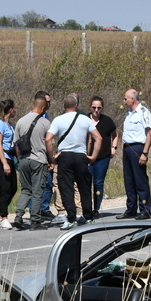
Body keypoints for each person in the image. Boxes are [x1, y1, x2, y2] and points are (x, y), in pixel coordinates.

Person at [46, 94, 102, 230]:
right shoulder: (85, 119)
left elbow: (48, 139)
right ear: (77, 106)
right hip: (81, 156)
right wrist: (93, 156)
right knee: (84, 187)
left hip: (65, 156)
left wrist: (52, 157)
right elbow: (98, 138)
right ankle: (88, 216)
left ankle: (71, 218)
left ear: (64, 106)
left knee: (66, 188)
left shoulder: (58, 120)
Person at [12, 93, 52, 231]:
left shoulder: (20, 121)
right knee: (37, 190)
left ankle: (18, 215)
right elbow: (49, 144)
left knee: (25, 189)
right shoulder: (45, 123)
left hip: (23, 160)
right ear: (42, 108)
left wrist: (19, 160)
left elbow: (16, 144)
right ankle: (35, 220)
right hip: (38, 160)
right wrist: (51, 160)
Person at [117, 89, 151, 220]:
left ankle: (145, 209)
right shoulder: (128, 113)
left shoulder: (143, 112)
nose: (124, 101)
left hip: (138, 148)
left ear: (132, 99)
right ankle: (131, 208)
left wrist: (145, 153)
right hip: (127, 148)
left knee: (140, 180)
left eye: (125, 98)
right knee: (129, 180)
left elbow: (150, 133)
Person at [87, 95, 118, 218]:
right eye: (94, 107)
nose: (96, 110)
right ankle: (86, 207)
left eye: (99, 108)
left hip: (103, 157)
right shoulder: (84, 119)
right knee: (86, 183)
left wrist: (113, 147)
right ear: (90, 107)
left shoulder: (107, 121)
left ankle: (96, 208)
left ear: (102, 108)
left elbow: (115, 135)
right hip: (87, 158)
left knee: (98, 182)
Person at [0, 99, 17, 230]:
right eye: (14, 108)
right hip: (0, 159)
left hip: (10, 158)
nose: (15, 111)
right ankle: (4, 217)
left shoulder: (10, 125)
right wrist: (4, 163)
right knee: (5, 187)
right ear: (10, 109)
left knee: (13, 187)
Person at [37, 91, 56, 220]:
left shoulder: (46, 116)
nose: (49, 104)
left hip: (46, 155)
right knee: (36, 185)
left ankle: (44, 208)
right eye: (47, 101)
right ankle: (36, 211)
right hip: (37, 156)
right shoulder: (32, 117)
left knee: (48, 183)